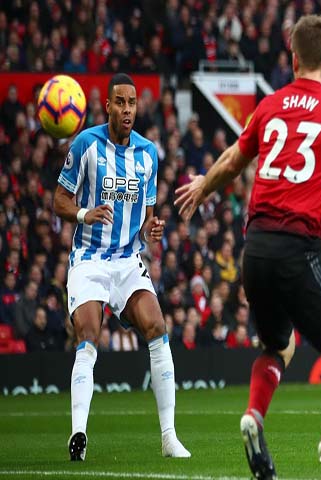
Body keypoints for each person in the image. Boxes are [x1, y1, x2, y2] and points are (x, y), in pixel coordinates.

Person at [175, 15, 321, 480]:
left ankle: (254, 416)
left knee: (278, 346)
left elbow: (232, 160)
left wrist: (202, 187)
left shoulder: (269, 106)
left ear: (292, 57)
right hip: (296, 249)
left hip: (254, 250)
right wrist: (314, 236)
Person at [53, 73, 190, 461]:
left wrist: (154, 228)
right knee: (88, 333)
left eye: (132, 103)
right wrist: (84, 213)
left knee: (157, 327)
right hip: (90, 260)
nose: (127, 109)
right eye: (120, 102)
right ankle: (78, 434)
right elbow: (59, 200)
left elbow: (146, 221)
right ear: (108, 106)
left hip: (128, 261)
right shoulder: (86, 145)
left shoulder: (148, 154)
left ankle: (169, 437)